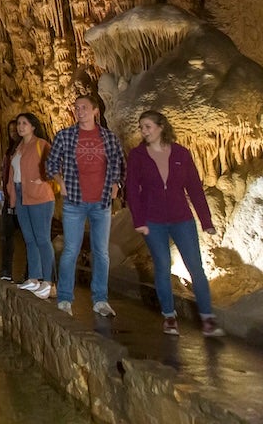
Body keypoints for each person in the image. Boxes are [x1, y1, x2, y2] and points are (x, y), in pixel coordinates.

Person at [125, 110, 225, 337]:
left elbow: (195, 189)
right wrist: (139, 220)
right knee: (162, 265)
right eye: (141, 127)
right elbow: (132, 190)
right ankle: (169, 316)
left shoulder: (181, 153)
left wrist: (206, 221)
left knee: (196, 267)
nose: (143, 131)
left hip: (182, 218)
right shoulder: (138, 156)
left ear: (161, 127)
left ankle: (208, 318)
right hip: (153, 219)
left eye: (147, 126)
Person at [47, 93, 125, 317]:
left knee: (101, 252)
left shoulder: (108, 138)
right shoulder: (65, 136)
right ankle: (64, 298)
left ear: (95, 111)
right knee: (71, 250)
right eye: (76, 107)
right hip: (74, 202)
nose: (79, 111)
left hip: (101, 202)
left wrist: (116, 184)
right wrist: (60, 181)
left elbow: (119, 163)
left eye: (83, 107)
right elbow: (51, 163)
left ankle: (100, 299)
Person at [6, 113, 55, 298]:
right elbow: (13, 173)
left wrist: (41, 180)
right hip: (21, 196)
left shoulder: (41, 144)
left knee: (42, 238)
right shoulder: (19, 147)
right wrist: (12, 197)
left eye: (24, 123)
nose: (20, 127)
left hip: (40, 196)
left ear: (33, 126)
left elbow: (55, 166)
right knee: (29, 239)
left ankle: (48, 282)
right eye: (18, 123)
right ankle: (34, 278)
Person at [0, 119, 22, 282]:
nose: (13, 132)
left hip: (23, 198)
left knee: (29, 238)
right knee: (5, 234)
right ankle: (6, 270)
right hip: (8, 197)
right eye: (11, 130)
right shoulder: (9, 150)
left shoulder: (27, 148)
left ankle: (33, 274)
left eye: (16, 129)